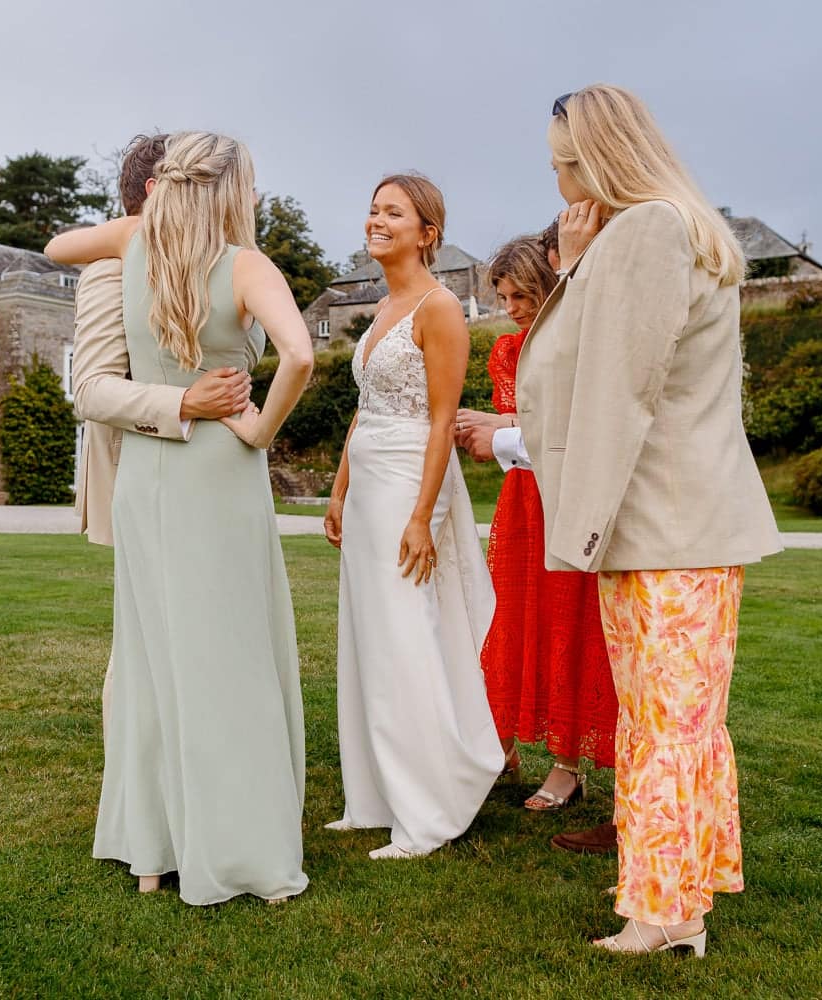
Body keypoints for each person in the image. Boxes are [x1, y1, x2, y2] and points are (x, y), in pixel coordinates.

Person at [459, 84, 782, 956]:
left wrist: (581, 529)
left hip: (662, 524)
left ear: (602, 157)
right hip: (688, 522)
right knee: (678, 722)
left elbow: (606, 388)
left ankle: (665, 914)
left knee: (666, 724)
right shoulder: (681, 225)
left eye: (567, 163)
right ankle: (676, 893)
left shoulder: (645, 231)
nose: (562, 183)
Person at [47, 131, 314, 905]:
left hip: (147, 478)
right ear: (229, 191)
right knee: (228, 661)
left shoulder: (133, 245)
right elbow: (297, 354)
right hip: (218, 472)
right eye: (253, 186)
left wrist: (149, 216)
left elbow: (61, 242)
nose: (258, 199)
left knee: (153, 660)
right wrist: (261, 430)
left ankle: (151, 855)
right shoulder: (244, 264)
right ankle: (242, 852)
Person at [322, 173, 503, 860]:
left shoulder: (439, 308)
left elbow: (440, 421)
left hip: (408, 486)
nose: (377, 220)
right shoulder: (380, 308)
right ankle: (374, 797)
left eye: (392, 212)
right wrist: (338, 492)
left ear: (427, 233)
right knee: (369, 640)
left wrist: (423, 515)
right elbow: (364, 409)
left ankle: (429, 810)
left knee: (406, 640)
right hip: (367, 484)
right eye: (372, 209)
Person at [55, 133, 252, 740]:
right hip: (151, 474)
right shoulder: (113, 267)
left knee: (215, 634)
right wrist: (184, 402)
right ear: (155, 191)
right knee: (146, 644)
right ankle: (138, 785)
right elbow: (90, 388)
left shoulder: (221, 262)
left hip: (221, 479)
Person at [454, 237, 616, 816]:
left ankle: (567, 765)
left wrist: (500, 422)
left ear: (549, 287)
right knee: (515, 624)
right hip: (522, 503)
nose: (515, 306)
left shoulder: (577, 342)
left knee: (570, 629)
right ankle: (500, 742)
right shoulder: (505, 350)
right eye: (503, 296)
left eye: (523, 293)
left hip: (567, 499)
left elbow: (568, 421)